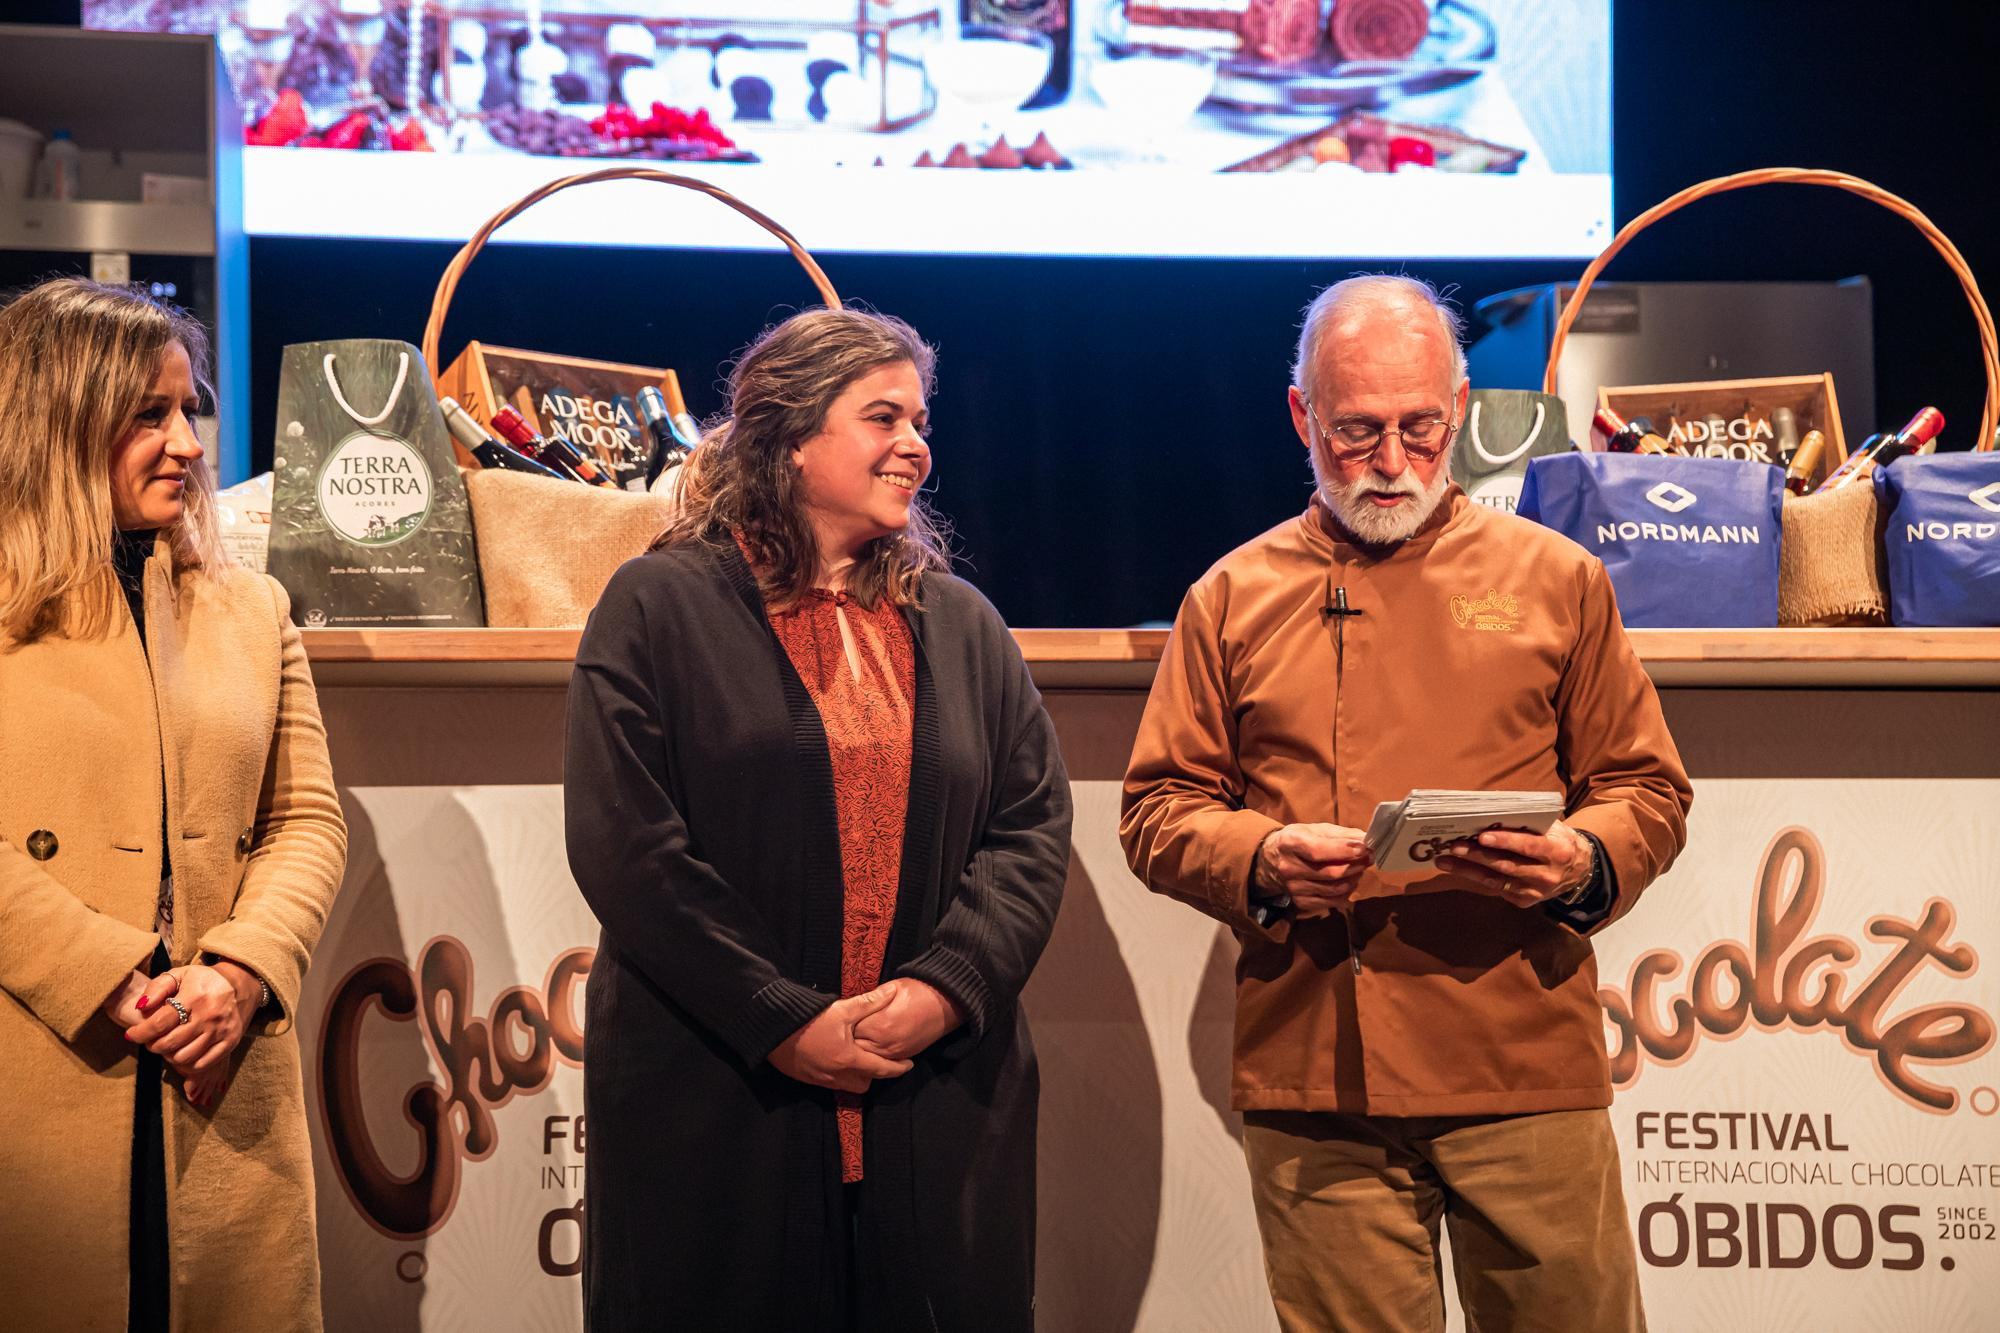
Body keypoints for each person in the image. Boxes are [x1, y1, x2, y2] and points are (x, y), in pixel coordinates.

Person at [1121, 275, 1692, 1331]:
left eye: (1418, 429)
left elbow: (1644, 787)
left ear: (1462, 408)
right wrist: (1259, 856)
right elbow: (1158, 807)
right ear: (1301, 417)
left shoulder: (1554, 578)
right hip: (1315, 1074)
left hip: (1520, 1054)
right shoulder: (1231, 596)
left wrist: (1580, 861)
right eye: (1354, 432)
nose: (1389, 464)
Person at [564, 307, 1071, 1331]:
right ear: (790, 441)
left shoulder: (959, 621)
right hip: (719, 1096)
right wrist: (780, 1018)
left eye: (920, 419)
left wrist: (943, 989)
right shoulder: (657, 607)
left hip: (931, 1097)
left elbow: (1029, 830)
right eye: (881, 416)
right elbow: (629, 848)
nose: (915, 443)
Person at [0, 278, 348, 1331]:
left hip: (222, 1068)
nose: (190, 441)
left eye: (188, 407)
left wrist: (243, 969)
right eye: (149, 414)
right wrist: (104, 972)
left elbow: (305, 820)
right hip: (44, 1063)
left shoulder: (254, 607)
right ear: (59, 422)